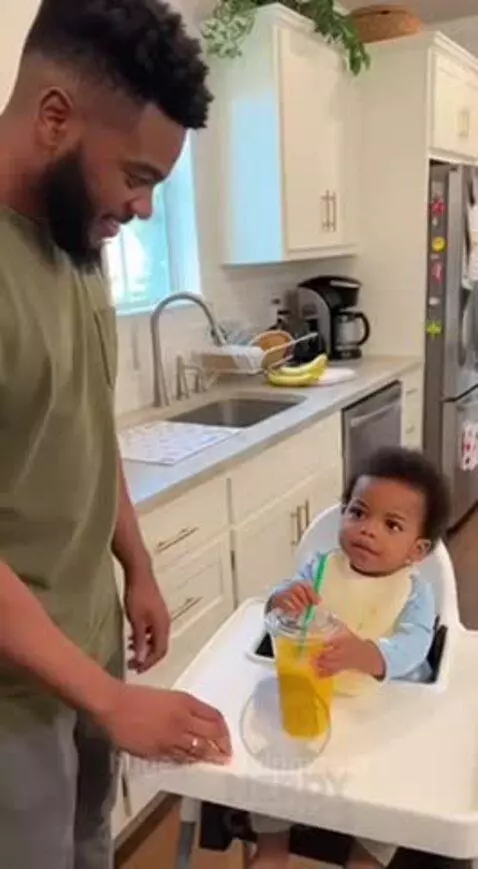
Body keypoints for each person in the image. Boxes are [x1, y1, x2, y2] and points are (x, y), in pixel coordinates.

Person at [0, 0, 231, 866]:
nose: (138, 208)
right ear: (55, 116)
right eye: (134, 176)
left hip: (89, 641)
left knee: (90, 845)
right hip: (15, 695)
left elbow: (86, 430)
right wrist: (106, 696)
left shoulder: (77, 242)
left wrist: (134, 561)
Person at [249, 447, 451, 869]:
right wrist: (281, 601)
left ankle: (367, 858)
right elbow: (277, 615)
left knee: (392, 786)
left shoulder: (413, 592)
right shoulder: (320, 569)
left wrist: (368, 653)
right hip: (311, 695)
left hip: (381, 709)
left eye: (391, 524)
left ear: (417, 550)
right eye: (358, 513)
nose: (367, 530)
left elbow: (416, 643)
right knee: (270, 772)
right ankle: (271, 848)